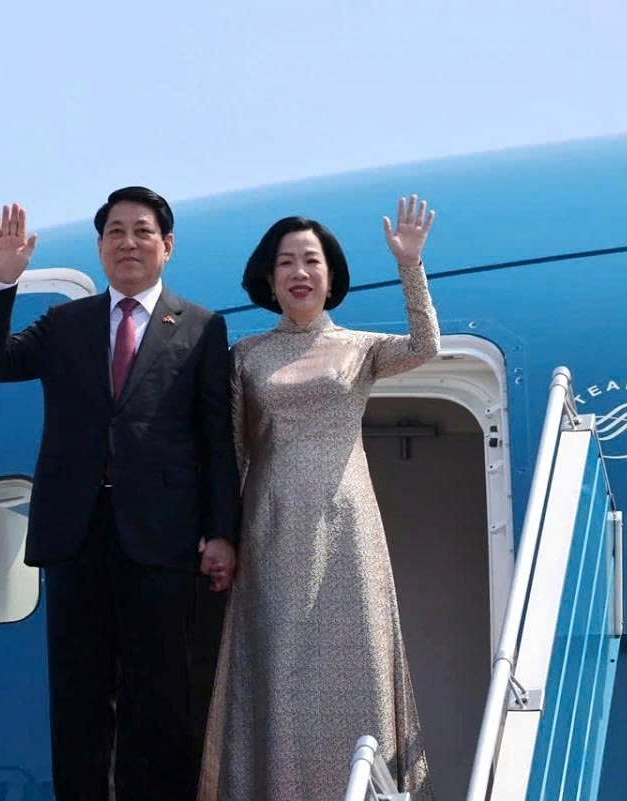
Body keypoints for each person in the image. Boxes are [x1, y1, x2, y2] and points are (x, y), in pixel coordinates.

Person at [0, 186, 241, 801]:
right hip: (77, 538)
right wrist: (1, 284)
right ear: (99, 247)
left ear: (166, 246)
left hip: (163, 543)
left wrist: (222, 531)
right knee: (78, 703)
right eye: (115, 231)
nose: (128, 242)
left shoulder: (200, 327)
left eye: (142, 231)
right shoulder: (67, 323)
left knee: (162, 704)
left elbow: (217, 440)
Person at [197, 195, 441, 800]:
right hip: (272, 521)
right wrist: (222, 533)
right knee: (278, 667)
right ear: (269, 277)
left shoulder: (359, 347)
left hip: (348, 521)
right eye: (286, 262)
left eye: (311, 260)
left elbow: (427, 346)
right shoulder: (246, 355)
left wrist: (410, 264)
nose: (299, 273)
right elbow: (229, 452)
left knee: (359, 664)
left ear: (330, 276)